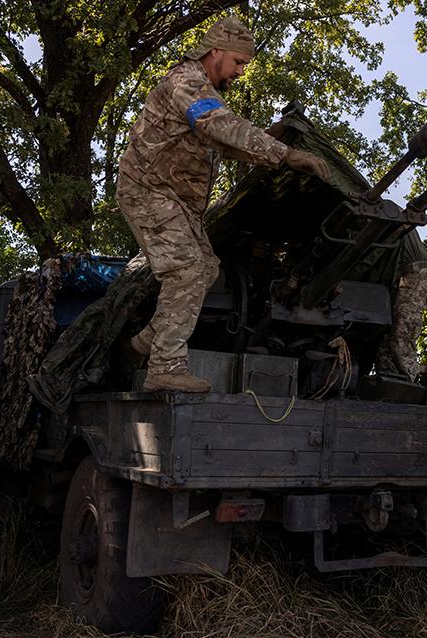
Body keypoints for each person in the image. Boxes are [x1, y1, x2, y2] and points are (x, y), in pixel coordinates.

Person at [118, 15, 332, 393]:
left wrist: (271, 140)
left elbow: (227, 142)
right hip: (148, 190)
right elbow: (220, 126)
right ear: (215, 51)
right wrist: (287, 155)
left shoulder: (205, 94)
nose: (240, 72)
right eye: (238, 62)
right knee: (185, 270)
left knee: (206, 269)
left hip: (174, 199)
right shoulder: (186, 82)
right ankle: (164, 365)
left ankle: (150, 338)